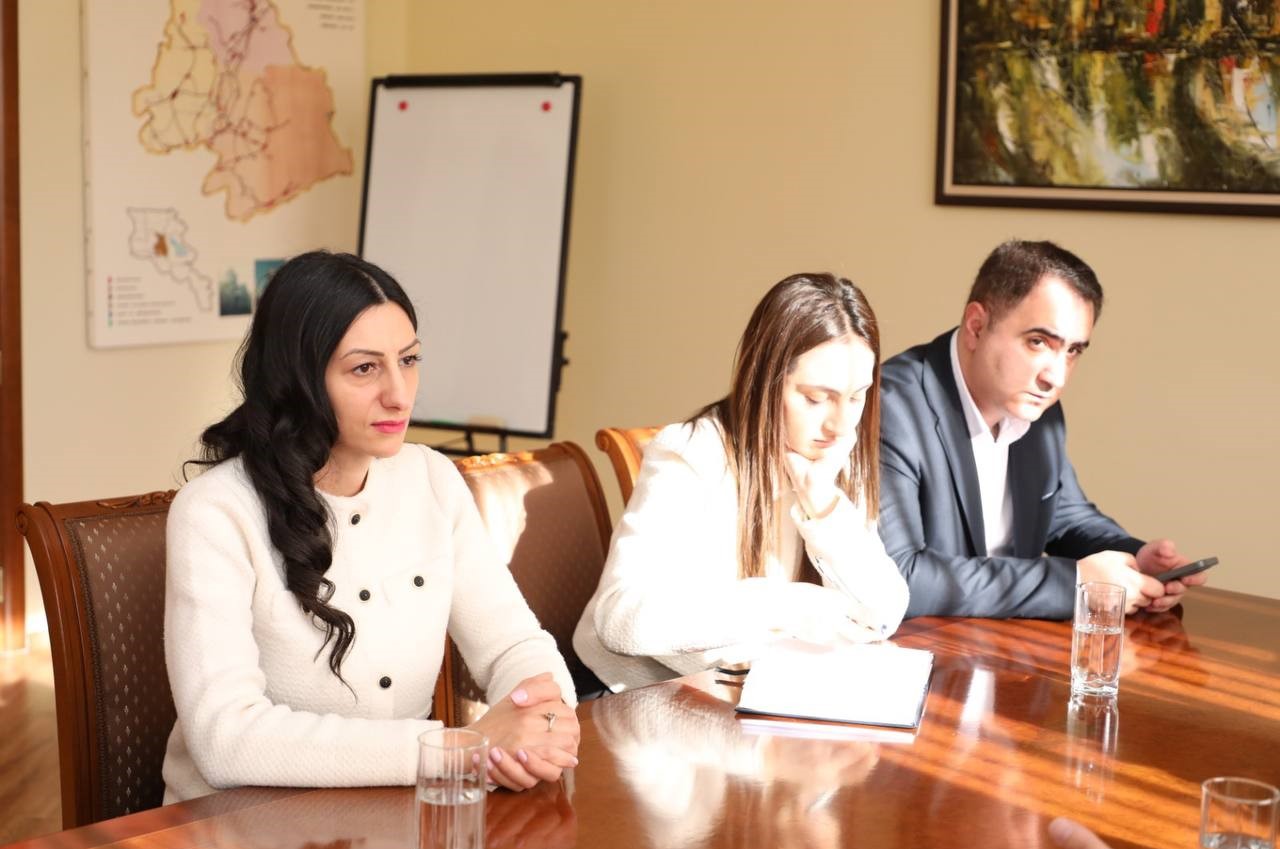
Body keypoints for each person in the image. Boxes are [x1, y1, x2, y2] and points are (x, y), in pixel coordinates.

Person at [161, 250, 579, 801]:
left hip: (397, 809)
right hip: (242, 822)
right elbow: (225, 737)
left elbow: (512, 643)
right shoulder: (215, 511)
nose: (399, 394)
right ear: (298, 377)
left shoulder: (432, 479)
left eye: (408, 360)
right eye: (364, 368)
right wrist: (456, 749)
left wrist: (547, 718)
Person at [573, 273, 910, 692]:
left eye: (857, 396)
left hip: (752, 697)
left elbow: (883, 611)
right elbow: (619, 618)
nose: (840, 424)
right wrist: (783, 604)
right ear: (766, 380)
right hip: (644, 700)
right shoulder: (693, 454)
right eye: (815, 398)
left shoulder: (835, 457)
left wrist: (822, 504)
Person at [878, 239, 1208, 619]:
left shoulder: (1038, 409)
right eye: (1038, 342)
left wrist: (1133, 561)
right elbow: (897, 578)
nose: (1056, 377)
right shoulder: (892, 408)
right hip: (917, 647)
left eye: (1073, 351)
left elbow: (1064, 516)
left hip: (1005, 644)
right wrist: (1072, 584)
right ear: (976, 326)